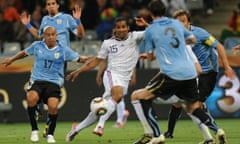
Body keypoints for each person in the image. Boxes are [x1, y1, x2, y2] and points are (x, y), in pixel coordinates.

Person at [130, 1, 223, 144]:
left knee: (140, 97)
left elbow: (149, 56)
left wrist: (154, 52)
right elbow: (191, 39)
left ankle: (155, 135)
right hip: (190, 74)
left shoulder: (153, 31)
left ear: (150, 13)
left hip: (173, 75)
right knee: (192, 107)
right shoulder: (177, 26)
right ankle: (215, 133)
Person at [1, 26, 90, 143]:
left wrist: (89, 59)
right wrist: (11, 59)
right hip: (37, 80)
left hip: (54, 81)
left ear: (56, 36)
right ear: (44, 36)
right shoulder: (37, 46)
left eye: (53, 34)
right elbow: (24, 53)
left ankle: (50, 134)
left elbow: (79, 58)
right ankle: (34, 130)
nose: (50, 37)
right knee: (31, 98)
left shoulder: (63, 49)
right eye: (47, 35)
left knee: (53, 107)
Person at [65, 16, 148, 142]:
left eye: (123, 27)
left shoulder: (135, 37)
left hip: (124, 78)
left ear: (128, 28)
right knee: (117, 96)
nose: (121, 30)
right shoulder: (108, 43)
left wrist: (145, 23)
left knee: (102, 107)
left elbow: (154, 31)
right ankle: (100, 126)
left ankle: (76, 129)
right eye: (118, 27)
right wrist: (78, 71)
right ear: (115, 29)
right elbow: (96, 62)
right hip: (111, 75)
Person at [163, 9, 236, 144]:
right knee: (180, 102)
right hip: (190, 75)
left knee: (195, 106)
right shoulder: (176, 37)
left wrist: (226, 67)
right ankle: (208, 136)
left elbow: (218, 46)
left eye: (183, 21)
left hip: (206, 74)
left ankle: (215, 132)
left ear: (188, 22)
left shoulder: (200, 34)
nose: (180, 25)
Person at [20, 0, 85, 137]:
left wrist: (78, 21)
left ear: (58, 5)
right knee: (36, 83)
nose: (50, 6)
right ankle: (37, 107)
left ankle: (47, 127)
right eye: (48, 4)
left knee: (52, 94)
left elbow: (80, 35)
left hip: (60, 58)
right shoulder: (45, 19)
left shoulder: (67, 18)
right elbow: (39, 35)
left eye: (53, 3)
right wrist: (28, 25)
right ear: (46, 6)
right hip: (45, 55)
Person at [96, 59, 131, 128]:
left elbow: (104, 60)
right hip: (124, 72)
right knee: (119, 96)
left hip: (114, 73)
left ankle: (117, 121)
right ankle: (121, 116)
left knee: (111, 97)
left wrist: (99, 74)